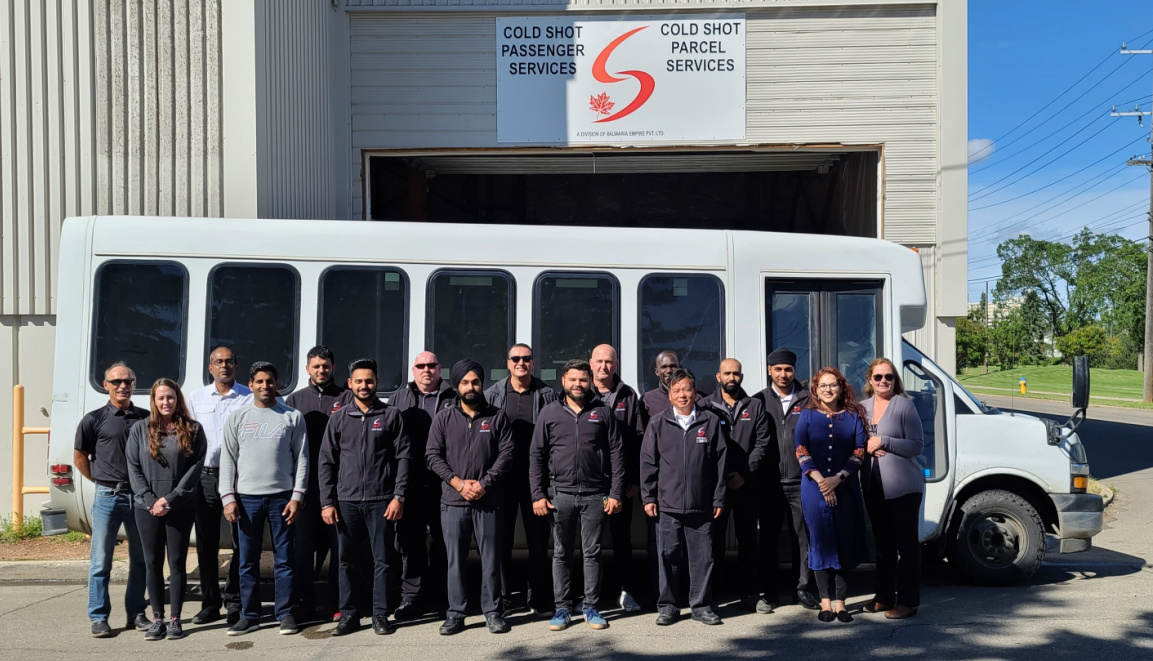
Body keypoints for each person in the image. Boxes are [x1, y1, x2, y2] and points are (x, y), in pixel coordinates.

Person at [530, 359, 626, 631]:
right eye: (572, 379)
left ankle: (591, 607)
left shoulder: (603, 412)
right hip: (560, 495)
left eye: (583, 380)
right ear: (563, 381)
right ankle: (562, 609)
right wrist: (538, 494)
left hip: (596, 495)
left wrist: (616, 492)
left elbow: (618, 454)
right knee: (561, 553)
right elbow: (536, 455)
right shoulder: (549, 413)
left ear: (590, 381)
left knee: (592, 553)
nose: (578, 384)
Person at [320, 358, 410, 637]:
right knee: (346, 559)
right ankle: (348, 614)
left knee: (383, 559)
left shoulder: (391, 415)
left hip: (381, 499)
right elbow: (326, 461)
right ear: (350, 384)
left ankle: (380, 614)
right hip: (346, 501)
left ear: (377, 383)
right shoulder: (338, 418)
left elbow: (404, 458)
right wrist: (327, 501)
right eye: (358, 381)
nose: (364, 385)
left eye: (369, 380)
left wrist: (399, 496)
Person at [427, 360, 516, 635]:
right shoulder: (443, 418)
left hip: (488, 501)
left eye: (475, 381)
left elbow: (507, 454)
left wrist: (484, 484)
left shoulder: (497, 416)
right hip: (453, 502)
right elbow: (432, 455)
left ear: (482, 384)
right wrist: (457, 483)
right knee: (455, 560)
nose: (470, 387)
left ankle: (492, 612)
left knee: (491, 559)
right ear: (456, 385)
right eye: (465, 382)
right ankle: (456, 614)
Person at [219, 362, 308, 636]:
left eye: (270, 381)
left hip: (282, 498)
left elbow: (302, 459)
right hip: (246, 500)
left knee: (284, 559)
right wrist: (227, 497)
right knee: (247, 560)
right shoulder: (237, 418)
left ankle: (285, 613)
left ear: (277, 383)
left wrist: (297, 497)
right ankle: (250, 615)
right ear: (251, 384)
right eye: (259, 382)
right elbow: (228, 460)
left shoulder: (292, 416)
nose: (265, 386)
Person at [640, 369, 727, 627]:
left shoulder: (710, 422)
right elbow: (648, 463)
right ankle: (668, 607)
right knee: (667, 557)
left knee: (703, 558)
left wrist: (719, 498)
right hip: (667, 505)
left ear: (695, 391)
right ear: (669, 395)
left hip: (702, 505)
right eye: (676, 390)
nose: (682, 395)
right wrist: (648, 497)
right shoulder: (657, 423)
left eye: (687, 389)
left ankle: (701, 606)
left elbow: (721, 463)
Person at [125, 378, 207, 641]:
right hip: (146, 508)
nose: (165, 402)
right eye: (160, 398)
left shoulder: (193, 429)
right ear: (153, 400)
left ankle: (175, 620)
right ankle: (157, 619)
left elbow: (194, 470)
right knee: (152, 562)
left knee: (177, 562)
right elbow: (133, 468)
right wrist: (151, 500)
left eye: (170, 397)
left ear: (177, 399)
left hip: (180, 507)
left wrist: (170, 498)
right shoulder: (140, 429)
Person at [74, 362, 150, 637]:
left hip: (139, 497)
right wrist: (101, 480)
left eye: (127, 381)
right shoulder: (93, 419)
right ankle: (98, 617)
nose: (122, 386)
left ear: (134, 384)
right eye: (116, 381)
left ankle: (137, 613)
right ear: (105, 385)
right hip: (108, 496)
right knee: (100, 561)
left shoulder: (145, 417)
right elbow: (80, 457)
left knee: (141, 559)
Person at [484, 343, 556, 616]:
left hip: (536, 481)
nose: (521, 363)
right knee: (500, 541)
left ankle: (537, 598)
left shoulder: (547, 395)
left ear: (533, 363)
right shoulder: (493, 395)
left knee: (538, 543)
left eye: (526, 359)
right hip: (502, 481)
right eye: (516, 358)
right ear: (508, 362)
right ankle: (502, 599)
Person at [795, 367, 867, 624]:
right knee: (820, 543)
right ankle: (825, 601)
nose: (828, 389)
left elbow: (859, 452)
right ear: (815, 389)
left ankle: (841, 603)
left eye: (833, 385)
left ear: (840, 387)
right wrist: (822, 483)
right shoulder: (807, 416)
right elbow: (801, 451)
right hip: (813, 489)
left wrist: (837, 479)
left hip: (845, 487)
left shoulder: (853, 416)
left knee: (844, 542)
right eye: (823, 385)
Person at [285, 345, 352, 621]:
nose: (321, 370)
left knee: (340, 551)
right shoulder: (294, 400)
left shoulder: (346, 397)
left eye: (325, 366)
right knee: (302, 550)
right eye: (316, 366)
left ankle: (339, 604)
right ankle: (304, 604)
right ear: (307, 369)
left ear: (333, 368)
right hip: (306, 489)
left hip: (339, 487)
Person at [702, 358, 774, 613]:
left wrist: (744, 473)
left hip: (747, 485)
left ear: (742, 377)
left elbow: (762, 445)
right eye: (727, 373)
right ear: (718, 376)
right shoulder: (705, 406)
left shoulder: (755, 406)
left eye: (736, 374)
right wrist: (718, 477)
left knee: (748, 542)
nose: (732, 377)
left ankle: (751, 594)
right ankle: (713, 595)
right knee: (713, 543)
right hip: (715, 488)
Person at [388, 350, 455, 620]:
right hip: (411, 485)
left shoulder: (454, 397)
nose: (426, 370)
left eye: (431, 365)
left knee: (444, 544)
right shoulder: (398, 398)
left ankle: (442, 598)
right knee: (410, 545)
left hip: (446, 484)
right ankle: (411, 599)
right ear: (413, 371)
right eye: (420, 366)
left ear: (440, 369)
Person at [187, 347, 250, 625]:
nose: (224, 366)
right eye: (218, 362)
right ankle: (210, 603)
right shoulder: (196, 398)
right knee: (206, 544)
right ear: (210, 367)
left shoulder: (249, 397)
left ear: (236, 366)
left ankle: (234, 601)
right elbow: (186, 437)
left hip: (240, 478)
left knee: (241, 543)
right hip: (206, 478)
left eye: (229, 362)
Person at [754, 348, 819, 610]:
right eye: (778, 369)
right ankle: (770, 593)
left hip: (800, 481)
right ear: (770, 370)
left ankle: (802, 589)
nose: (783, 374)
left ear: (794, 371)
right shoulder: (757, 401)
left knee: (802, 538)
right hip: (768, 483)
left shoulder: (808, 400)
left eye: (788, 369)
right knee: (768, 538)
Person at [860, 358, 925, 620]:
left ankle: (908, 602)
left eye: (889, 377)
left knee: (907, 546)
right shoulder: (862, 408)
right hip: (873, 485)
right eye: (878, 377)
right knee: (883, 545)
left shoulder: (904, 406)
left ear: (895, 380)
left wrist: (884, 441)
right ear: (870, 380)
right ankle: (884, 597)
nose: (883, 381)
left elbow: (917, 445)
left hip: (904, 487)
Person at [589, 344, 646, 613]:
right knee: (590, 542)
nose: (604, 366)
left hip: (621, 481)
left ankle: (626, 591)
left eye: (609, 362)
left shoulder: (628, 396)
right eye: (599, 361)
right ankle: (589, 595)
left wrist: (635, 479)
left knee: (622, 540)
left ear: (616, 364)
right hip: (588, 482)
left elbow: (638, 439)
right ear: (591, 363)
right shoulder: (579, 392)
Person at [640, 351, 683, 421]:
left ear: (680, 368)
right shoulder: (647, 400)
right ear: (657, 372)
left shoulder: (694, 397)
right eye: (664, 367)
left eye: (672, 366)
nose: (669, 370)